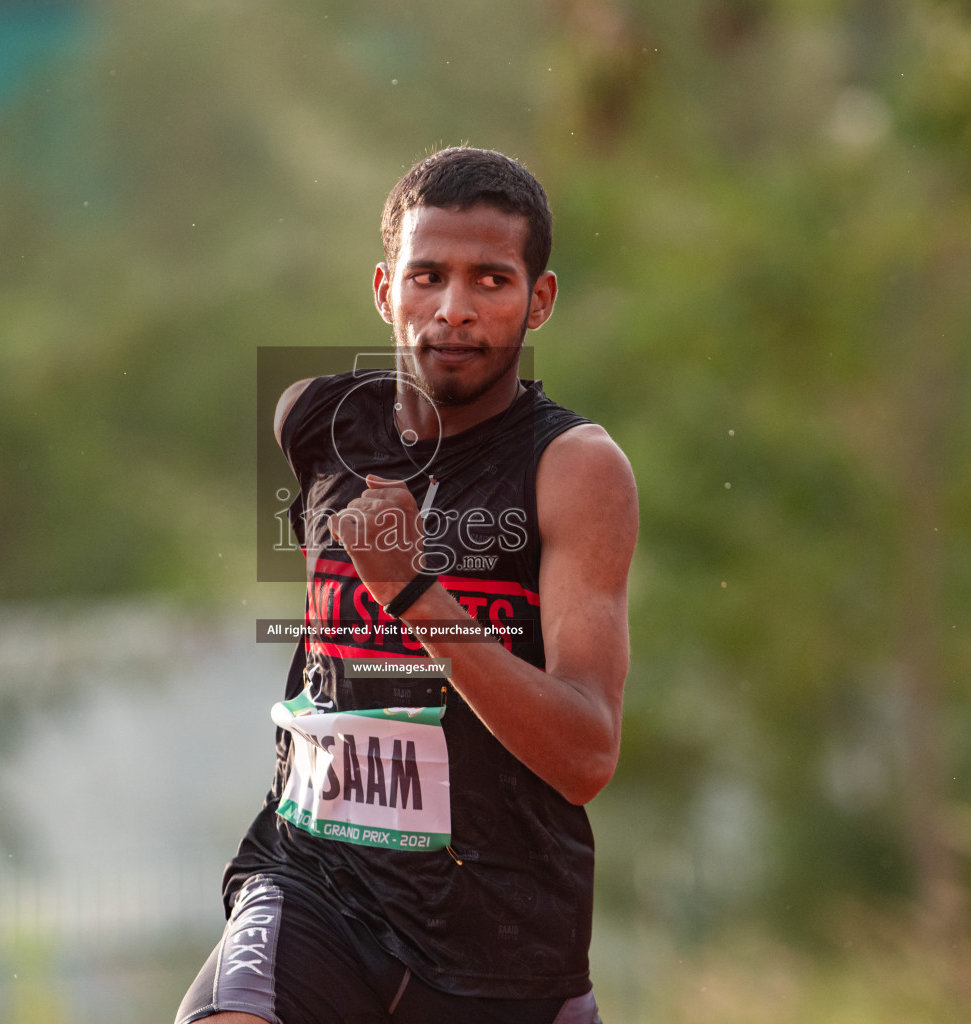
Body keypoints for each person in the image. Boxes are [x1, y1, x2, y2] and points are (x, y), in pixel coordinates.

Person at [176, 147, 637, 1024]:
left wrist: (418, 594)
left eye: (491, 281)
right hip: (314, 880)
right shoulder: (317, 423)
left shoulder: (574, 470)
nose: (455, 311)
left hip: (497, 934)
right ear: (387, 291)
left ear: (538, 301)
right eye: (428, 276)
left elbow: (587, 756)